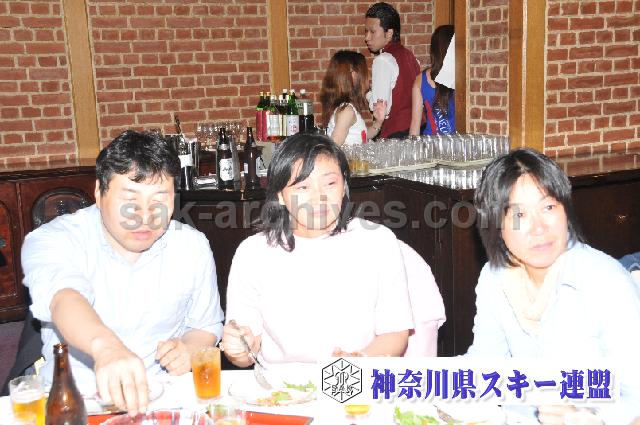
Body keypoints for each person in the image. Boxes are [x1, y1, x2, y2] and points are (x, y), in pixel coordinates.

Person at [21, 130, 224, 415]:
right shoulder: (53, 240)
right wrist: (107, 348)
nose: (144, 215)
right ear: (99, 192)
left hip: (160, 398)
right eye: (130, 199)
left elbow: (206, 325)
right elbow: (64, 298)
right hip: (74, 401)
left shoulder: (191, 246)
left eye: (159, 199)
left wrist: (188, 349)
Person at [467, 148, 640, 424]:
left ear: (565, 210)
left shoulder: (606, 281)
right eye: (519, 215)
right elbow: (484, 364)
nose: (539, 228)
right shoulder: (495, 276)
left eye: (548, 207)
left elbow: (636, 396)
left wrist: (589, 418)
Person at [221, 133, 413, 367]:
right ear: (280, 195)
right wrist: (240, 348)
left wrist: (359, 361)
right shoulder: (253, 253)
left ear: (344, 186)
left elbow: (395, 333)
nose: (319, 198)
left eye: (330, 183)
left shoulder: (376, 242)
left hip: (353, 378)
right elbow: (244, 352)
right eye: (303, 187)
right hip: (281, 384)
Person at [364, 2, 420, 138]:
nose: (367, 38)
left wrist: (366, 93)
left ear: (389, 33)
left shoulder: (383, 60)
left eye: (372, 31)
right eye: (366, 31)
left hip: (395, 135)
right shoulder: (410, 56)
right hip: (417, 130)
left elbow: (380, 107)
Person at [320, 50, 386, 145]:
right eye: (364, 72)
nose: (367, 77)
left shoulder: (346, 108)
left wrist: (378, 122)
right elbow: (333, 147)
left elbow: (361, 136)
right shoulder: (347, 111)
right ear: (354, 75)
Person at [409, 25, 456, 136]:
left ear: (434, 50)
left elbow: (415, 127)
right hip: (457, 144)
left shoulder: (421, 79)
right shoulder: (461, 77)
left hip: (431, 143)